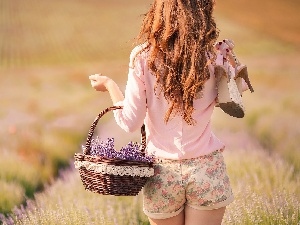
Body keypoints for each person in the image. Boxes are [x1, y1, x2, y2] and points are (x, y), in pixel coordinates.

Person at [89, 0, 249, 224]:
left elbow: (129, 122)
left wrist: (109, 85)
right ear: (202, 13)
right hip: (206, 170)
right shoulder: (213, 56)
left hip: (162, 175)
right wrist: (228, 60)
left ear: (159, 13)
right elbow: (235, 93)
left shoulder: (143, 57)